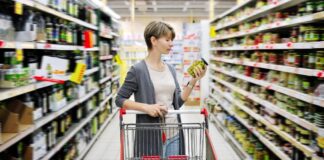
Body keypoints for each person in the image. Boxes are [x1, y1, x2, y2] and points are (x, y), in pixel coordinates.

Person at [115, 21, 206, 158]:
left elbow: (178, 102)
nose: (171, 44)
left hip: (174, 133)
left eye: (172, 40)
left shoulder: (170, 69)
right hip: (150, 136)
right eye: (167, 39)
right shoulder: (138, 70)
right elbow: (119, 99)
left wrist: (194, 80)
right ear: (154, 40)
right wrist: (146, 108)